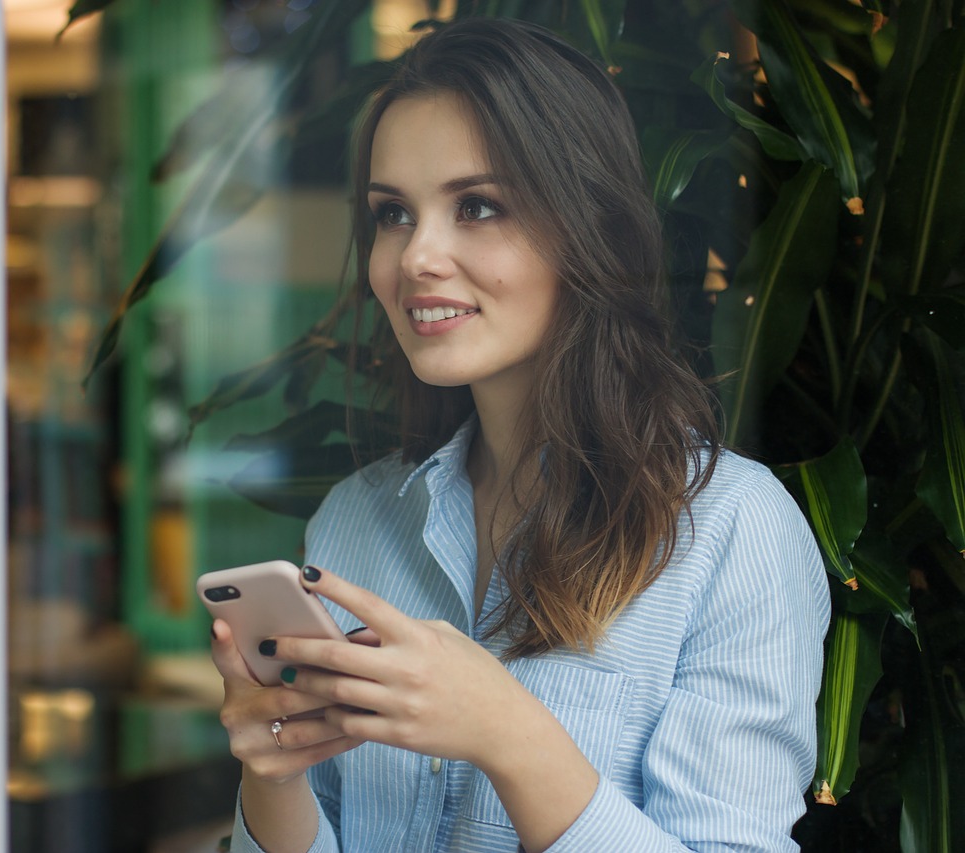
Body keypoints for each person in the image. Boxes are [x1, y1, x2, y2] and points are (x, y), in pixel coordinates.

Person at [208, 17, 830, 853]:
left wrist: (510, 733)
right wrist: (273, 770)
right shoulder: (355, 522)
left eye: (477, 206)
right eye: (392, 214)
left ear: (587, 226)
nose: (417, 255)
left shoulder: (730, 531)